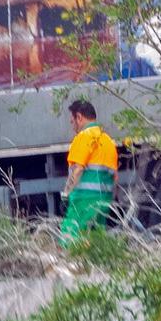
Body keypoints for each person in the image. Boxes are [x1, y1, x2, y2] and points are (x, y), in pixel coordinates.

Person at [58, 99, 119, 244]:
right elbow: (115, 177)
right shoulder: (108, 141)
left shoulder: (84, 137)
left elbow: (78, 169)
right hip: (104, 200)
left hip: (83, 200)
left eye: (72, 122)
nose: (73, 127)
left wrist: (65, 195)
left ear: (79, 117)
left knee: (69, 239)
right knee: (95, 243)